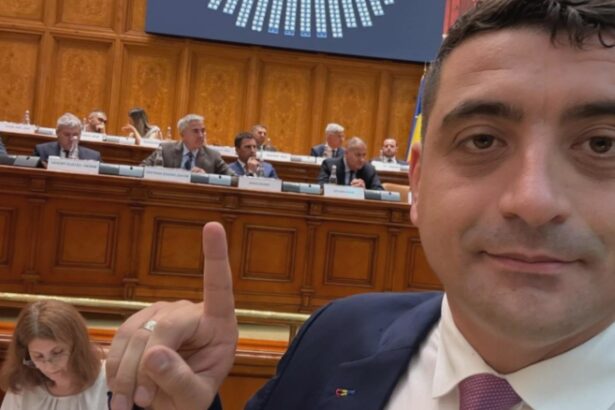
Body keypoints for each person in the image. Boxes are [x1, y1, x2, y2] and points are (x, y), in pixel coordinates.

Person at [106, 1, 615, 409]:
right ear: (418, 181)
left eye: (602, 145)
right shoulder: (335, 339)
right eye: (482, 140)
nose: (532, 200)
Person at [0, 300, 108, 409]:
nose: (49, 367)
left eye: (57, 353)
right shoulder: (23, 385)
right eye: (38, 356)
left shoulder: (108, 382)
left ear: (78, 346)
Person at [140, 114, 234, 175]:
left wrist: (207, 178)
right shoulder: (165, 150)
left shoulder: (213, 156)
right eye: (195, 131)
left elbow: (234, 178)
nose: (201, 135)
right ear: (182, 134)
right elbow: (141, 169)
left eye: (202, 131)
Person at [33, 113, 101, 168]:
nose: (71, 139)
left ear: (80, 134)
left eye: (75, 135)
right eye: (67, 134)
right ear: (57, 133)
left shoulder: (93, 157)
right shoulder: (42, 151)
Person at [317, 136, 383, 190]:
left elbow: (380, 191)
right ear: (346, 153)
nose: (362, 160)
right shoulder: (329, 165)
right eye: (358, 155)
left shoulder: (369, 170)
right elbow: (321, 187)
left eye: (364, 155)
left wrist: (364, 191)